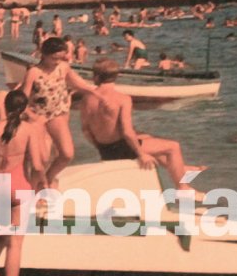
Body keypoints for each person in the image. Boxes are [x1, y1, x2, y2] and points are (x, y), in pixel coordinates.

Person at [80, 59, 198, 189]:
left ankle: (178, 167)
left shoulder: (87, 99)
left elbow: (85, 130)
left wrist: (100, 147)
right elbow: (127, 131)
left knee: (146, 137)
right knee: (173, 147)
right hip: (121, 149)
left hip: (105, 148)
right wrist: (141, 154)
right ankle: (183, 188)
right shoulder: (122, 99)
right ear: (116, 76)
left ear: (96, 76)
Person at [0, 90, 45, 276]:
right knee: (15, 244)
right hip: (19, 184)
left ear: (6, 106)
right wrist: (42, 185)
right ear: (24, 107)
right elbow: (37, 165)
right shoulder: (29, 130)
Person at [16, 37, 96, 188]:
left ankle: (48, 178)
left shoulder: (63, 67)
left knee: (67, 154)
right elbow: (22, 99)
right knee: (41, 158)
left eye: (60, 58)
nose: (57, 61)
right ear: (44, 54)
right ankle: (34, 188)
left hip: (57, 114)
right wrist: (30, 116)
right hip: (36, 116)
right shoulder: (34, 72)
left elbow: (79, 84)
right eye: (54, 58)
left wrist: (99, 93)